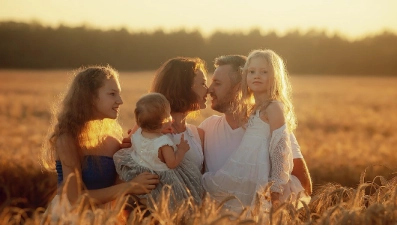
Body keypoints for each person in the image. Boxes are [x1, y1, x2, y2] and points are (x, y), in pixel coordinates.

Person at [41, 66, 159, 221]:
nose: (120, 101)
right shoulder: (68, 140)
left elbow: (117, 196)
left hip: (103, 218)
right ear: (89, 97)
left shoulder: (113, 141)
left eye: (119, 94)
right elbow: (74, 200)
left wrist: (130, 155)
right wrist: (131, 186)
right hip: (68, 219)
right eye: (112, 94)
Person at [201, 51, 311, 213]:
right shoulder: (207, 128)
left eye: (217, 83)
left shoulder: (269, 124)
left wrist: (270, 202)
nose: (209, 90)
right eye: (252, 72)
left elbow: (304, 185)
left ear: (240, 86)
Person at [114, 93, 204, 211]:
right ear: (164, 120)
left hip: (142, 174)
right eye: (168, 114)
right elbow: (172, 163)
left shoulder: (137, 133)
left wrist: (161, 129)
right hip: (162, 182)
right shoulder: (163, 143)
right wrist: (181, 150)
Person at [122, 57, 208, 174]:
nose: (208, 90)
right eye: (203, 83)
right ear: (183, 88)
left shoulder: (198, 134)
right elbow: (126, 171)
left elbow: (201, 180)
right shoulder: (147, 128)